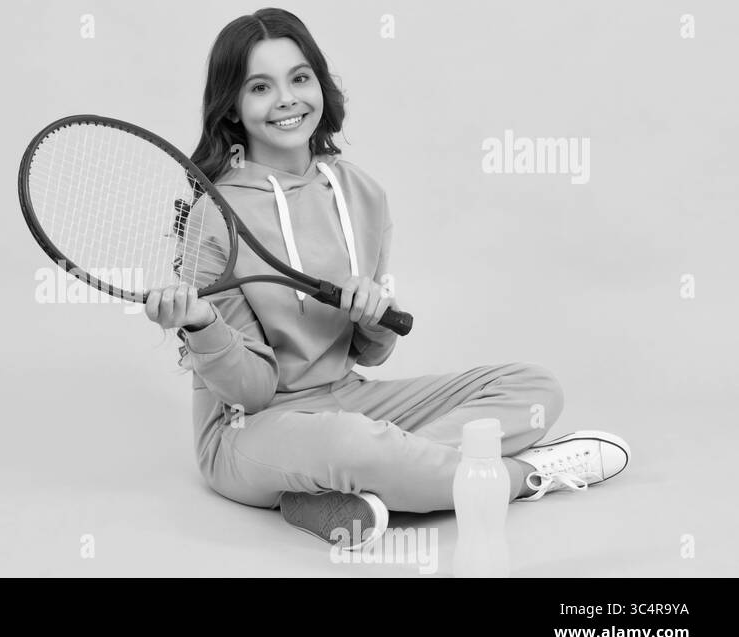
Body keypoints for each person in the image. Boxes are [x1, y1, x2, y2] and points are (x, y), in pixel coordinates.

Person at [144, 8, 629, 550]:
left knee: (534, 388)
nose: (286, 99)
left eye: (300, 78)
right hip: (247, 431)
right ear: (232, 107)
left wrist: (372, 317)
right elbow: (253, 392)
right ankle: (520, 476)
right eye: (260, 87)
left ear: (320, 84)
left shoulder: (362, 193)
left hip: (348, 402)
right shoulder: (214, 215)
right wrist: (203, 323)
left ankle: (346, 488)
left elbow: (368, 356)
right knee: (353, 443)